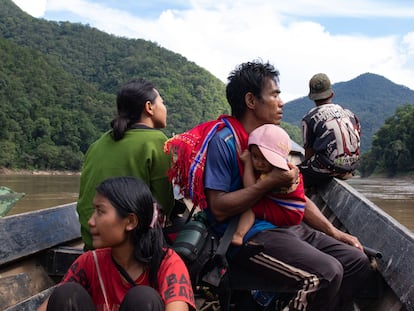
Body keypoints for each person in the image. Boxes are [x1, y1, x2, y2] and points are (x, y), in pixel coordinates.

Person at [166, 60, 371, 311]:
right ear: (251, 101)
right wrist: (269, 183)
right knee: (325, 275)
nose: (281, 102)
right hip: (249, 237)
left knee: (356, 261)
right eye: (274, 94)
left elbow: (294, 198)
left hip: (286, 227)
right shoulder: (225, 141)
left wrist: (335, 233)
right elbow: (218, 208)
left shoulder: (270, 140)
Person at [38, 176, 195, 311]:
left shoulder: (166, 263)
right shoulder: (90, 262)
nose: (91, 221)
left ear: (130, 221)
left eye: (100, 211)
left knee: (143, 299)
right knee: (67, 295)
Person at [77, 78, 174, 250]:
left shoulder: (98, 143)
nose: (165, 108)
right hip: (129, 247)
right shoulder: (157, 141)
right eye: (162, 102)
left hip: (92, 241)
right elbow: (164, 203)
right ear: (149, 107)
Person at [232, 124, 306, 246]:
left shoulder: (278, 173)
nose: (259, 163)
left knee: (251, 206)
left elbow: (250, 190)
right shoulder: (285, 168)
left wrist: (248, 164)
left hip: (287, 213)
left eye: (265, 159)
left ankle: (239, 235)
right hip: (295, 213)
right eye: (255, 157)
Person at [299, 73, 361, 187]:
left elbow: (308, 153)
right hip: (351, 167)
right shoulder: (351, 114)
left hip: (329, 168)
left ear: (312, 97)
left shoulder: (308, 118)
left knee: (296, 172)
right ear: (332, 94)